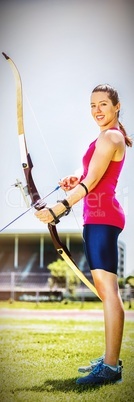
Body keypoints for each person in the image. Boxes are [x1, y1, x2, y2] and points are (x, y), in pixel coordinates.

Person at [35, 84, 132, 386]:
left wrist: (57, 209)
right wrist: (74, 179)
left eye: (103, 104)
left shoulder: (112, 136)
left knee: (109, 293)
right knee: (106, 293)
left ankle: (111, 368)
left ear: (117, 107)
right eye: (92, 106)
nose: (97, 111)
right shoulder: (103, 138)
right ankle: (108, 360)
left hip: (103, 218)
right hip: (97, 217)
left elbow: (92, 183)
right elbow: (90, 177)